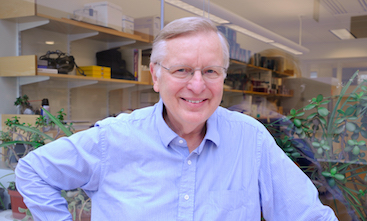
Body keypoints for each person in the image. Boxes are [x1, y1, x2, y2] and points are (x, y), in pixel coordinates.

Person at [15, 16, 338, 220]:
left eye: (210, 71)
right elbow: (33, 171)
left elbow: (306, 214)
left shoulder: (249, 138)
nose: (197, 85)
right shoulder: (112, 138)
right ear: (156, 75)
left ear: (223, 76)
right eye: (182, 70)